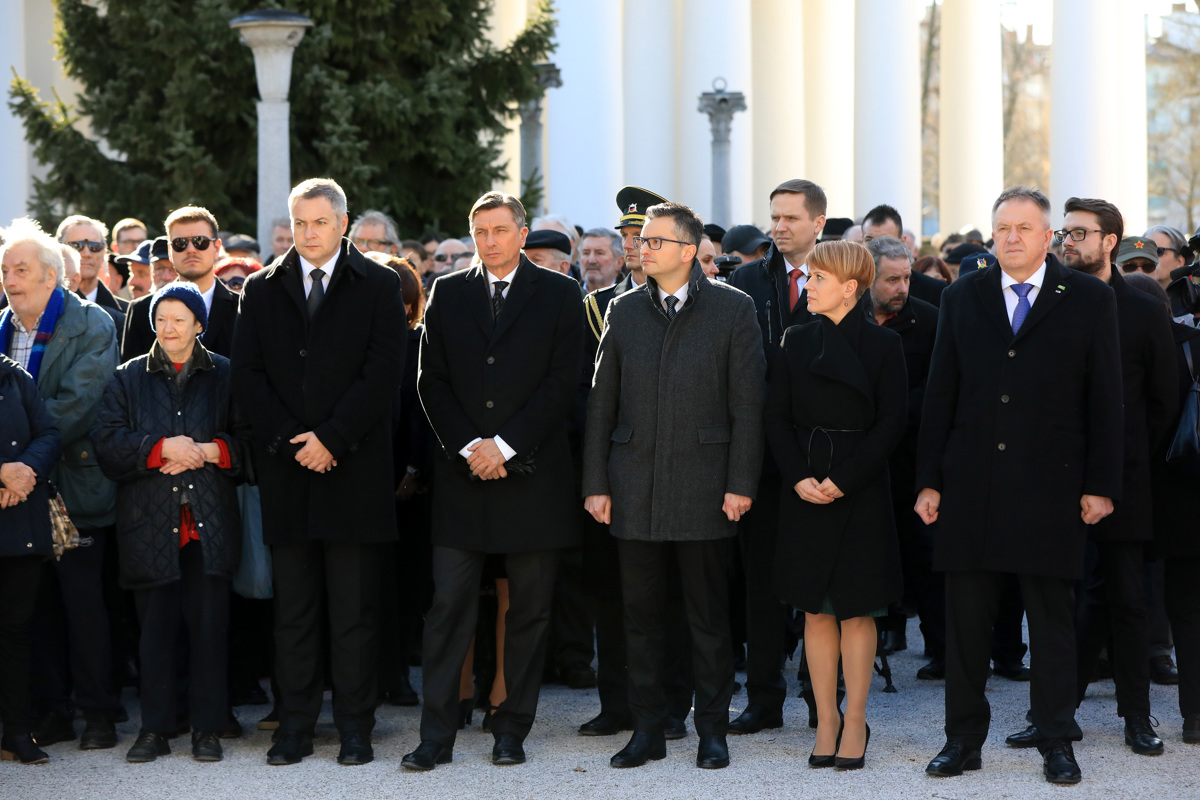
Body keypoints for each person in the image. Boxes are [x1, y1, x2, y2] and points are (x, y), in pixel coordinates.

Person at [917, 186, 1124, 785]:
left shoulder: (1088, 297)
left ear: (1047, 236)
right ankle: (962, 741)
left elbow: (1105, 399)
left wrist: (1101, 484)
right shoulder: (962, 295)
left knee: (1052, 625)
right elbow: (940, 392)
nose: (1011, 237)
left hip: (1051, 489)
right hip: (971, 487)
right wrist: (929, 480)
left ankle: (1056, 739)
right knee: (966, 625)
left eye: (1024, 228)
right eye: (1002, 227)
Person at [403, 191, 582, 771]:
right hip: (463, 477)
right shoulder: (448, 291)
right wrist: (470, 447)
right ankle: (435, 736)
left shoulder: (559, 293)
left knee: (528, 611)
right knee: (447, 609)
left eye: (500, 230)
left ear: (522, 234)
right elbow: (431, 381)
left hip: (532, 477)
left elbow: (563, 382)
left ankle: (511, 729)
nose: (489, 241)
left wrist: (503, 446)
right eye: (480, 231)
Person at [231, 178, 407, 766]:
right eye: (299, 223)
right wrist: (292, 441)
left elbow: (384, 371)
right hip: (289, 473)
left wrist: (332, 437)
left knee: (354, 614)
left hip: (354, 472)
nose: (308, 233)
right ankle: (295, 727)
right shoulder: (261, 287)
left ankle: (355, 727)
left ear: (342, 223)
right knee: (294, 613)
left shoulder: (378, 283)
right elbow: (248, 375)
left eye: (319, 222)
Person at [583, 201, 764, 771]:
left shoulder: (733, 308)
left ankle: (712, 731)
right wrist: (596, 483)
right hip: (633, 485)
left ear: (688, 251)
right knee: (640, 619)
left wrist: (740, 482)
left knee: (707, 619)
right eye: (642, 241)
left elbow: (748, 406)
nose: (643, 248)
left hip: (706, 488)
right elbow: (601, 403)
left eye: (655, 241)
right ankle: (648, 731)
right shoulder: (624, 309)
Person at [1005, 197, 1174, 757]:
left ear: (1110, 242)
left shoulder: (1144, 309)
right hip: (1054, 478)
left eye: (1080, 233)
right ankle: (1052, 715)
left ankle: (1137, 716)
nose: (1068, 242)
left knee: (1127, 600)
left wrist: (1124, 461)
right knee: (1053, 603)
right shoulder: (1048, 301)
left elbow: (1163, 401)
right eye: (1066, 233)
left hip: (1124, 480)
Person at [93, 283, 251, 764]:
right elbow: (108, 445)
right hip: (149, 523)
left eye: (180, 319)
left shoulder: (226, 373)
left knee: (209, 632)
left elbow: (250, 442)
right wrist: (161, 449)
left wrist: (206, 451)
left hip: (209, 522)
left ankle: (207, 728)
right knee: (155, 634)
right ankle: (155, 729)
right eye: (161, 319)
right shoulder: (127, 377)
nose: (169, 328)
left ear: (199, 324)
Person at [765, 240, 906, 771]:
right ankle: (826, 719)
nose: (809, 285)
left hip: (859, 489)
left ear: (849, 288)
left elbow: (893, 422)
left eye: (819, 278)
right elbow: (775, 416)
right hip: (805, 488)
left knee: (857, 609)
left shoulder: (884, 345)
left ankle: (856, 718)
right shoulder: (796, 339)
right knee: (815, 609)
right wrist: (799, 477)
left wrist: (843, 480)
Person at [0, 217, 122, 751]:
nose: (10, 280)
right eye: (5, 270)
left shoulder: (92, 323)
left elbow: (77, 404)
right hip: (14, 489)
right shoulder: (1, 326)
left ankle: (98, 714)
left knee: (83, 603)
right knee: (34, 608)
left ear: (51, 276)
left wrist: (23, 463)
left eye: (20, 270)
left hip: (72, 484)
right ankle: (51, 711)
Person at [726, 179, 825, 736]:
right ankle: (764, 698)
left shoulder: (842, 276)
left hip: (821, 458)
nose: (780, 227)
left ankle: (821, 695)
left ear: (818, 223)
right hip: (760, 459)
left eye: (791, 218)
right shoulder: (746, 281)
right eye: (775, 217)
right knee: (760, 585)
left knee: (819, 583)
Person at [863, 236, 943, 678]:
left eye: (907, 278)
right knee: (871, 554)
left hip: (913, 460)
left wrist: (891, 415)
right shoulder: (847, 317)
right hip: (863, 464)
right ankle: (874, 641)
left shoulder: (929, 320)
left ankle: (942, 648)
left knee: (925, 555)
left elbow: (938, 388)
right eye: (892, 280)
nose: (902, 288)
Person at [0, 353, 61, 765]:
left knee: (16, 631)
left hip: (18, 519)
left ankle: (17, 733)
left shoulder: (14, 376)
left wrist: (22, 472)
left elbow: (49, 434)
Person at [122, 207, 239, 361]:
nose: (191, 249)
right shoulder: (141, 310)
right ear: (170, 251)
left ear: (216, 248)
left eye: (200, 241)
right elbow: (131, 373)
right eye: (180, 243)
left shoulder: (243, 309)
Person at [57, 215, 127, 341]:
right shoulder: (41, 307)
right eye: (76, 246)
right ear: (59, 253)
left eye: (94, 246)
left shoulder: (127, 314)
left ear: (104, 254)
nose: (86, 253)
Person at [861, 204, 944, 307]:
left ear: (902, 242)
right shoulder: (847, 285)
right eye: (869, 240)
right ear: (861, 241)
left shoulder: (932, 291)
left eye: (886, 241)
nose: (875, 247)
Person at [1144, 225, 1189, 289]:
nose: (1149, 257)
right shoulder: (1131, 294)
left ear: (1179, 261)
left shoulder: (1195, 294)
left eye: (1158, 252)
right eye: (1144, 252)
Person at [579, 228, 623, 293]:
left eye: (599, 253)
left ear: (619, 262)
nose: (591, 260)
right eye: (586, 253)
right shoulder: (568, 295)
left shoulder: (631, 297)